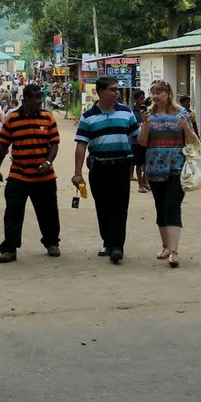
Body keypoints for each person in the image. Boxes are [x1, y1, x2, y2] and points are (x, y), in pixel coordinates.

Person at [72, 75, 140, 264]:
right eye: (112, 89)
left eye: (117, 90)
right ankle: (108, 242)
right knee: (102, 206)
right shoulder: (88, 116)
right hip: (99, 167)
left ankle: (118, 246)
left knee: (120, 206)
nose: (116, 93)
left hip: (121, 166)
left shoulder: (126, 113)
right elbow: (81, 145)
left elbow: (139, 137)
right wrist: (77, 173)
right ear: (100, 92)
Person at [0, 84, 61, 263]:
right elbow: (3, 146)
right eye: (37, 98)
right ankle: (10, 248)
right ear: (27, 100)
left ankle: (52, 243)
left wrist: (48, 162)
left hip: (44, 176)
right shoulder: (12, 119)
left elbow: (54, 143)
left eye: (41, 97)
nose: (40, 101)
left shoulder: (48, 118)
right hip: (18, 175)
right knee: (13, 212)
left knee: (49, 212)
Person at [138, 79, 201, 268]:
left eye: (160, 92)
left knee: (172, 205)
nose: (156, 96)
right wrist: (146, 124)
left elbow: (193, 140)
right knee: (160, 206)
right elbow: (142, 142)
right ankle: (165, 246)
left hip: (177, 166)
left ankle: (174, 251)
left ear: (168, 94)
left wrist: (185, 127)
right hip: (155, 166)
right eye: (153, 92)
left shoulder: (181, 114)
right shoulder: (148, 115)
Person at [131, 89, 150, 194]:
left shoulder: (148, 111)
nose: (142, 101)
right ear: (136, 100)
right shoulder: (132, 112)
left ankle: (145, 180)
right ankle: (140, 184)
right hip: (135, 141)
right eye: (140, 99)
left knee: (147, 162)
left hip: (147, 140)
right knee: (138, 163)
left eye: (143, 98)